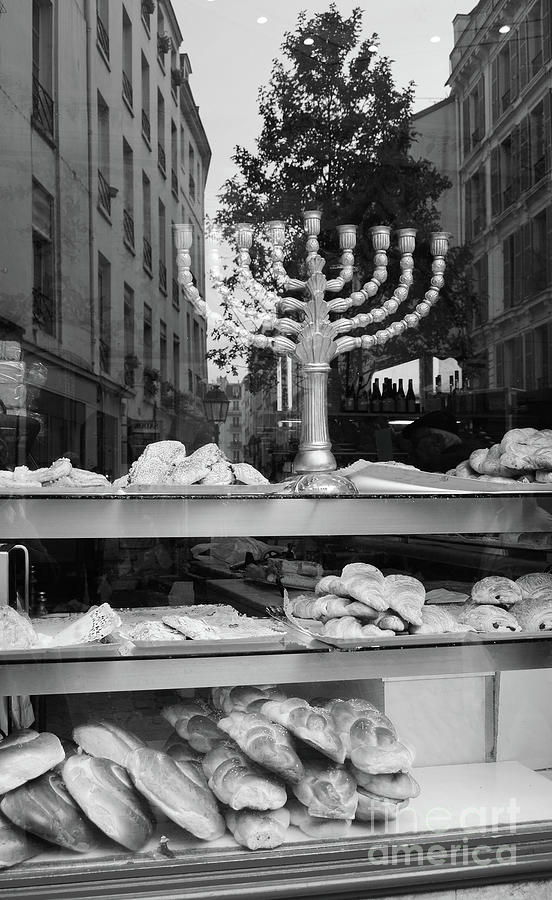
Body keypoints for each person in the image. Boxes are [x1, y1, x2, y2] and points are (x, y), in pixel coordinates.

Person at [402, 411, 489, 473]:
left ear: (437, 440)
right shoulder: (465, 452)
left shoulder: (445, 461)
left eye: (416, 441)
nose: (414, 448)